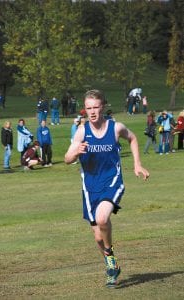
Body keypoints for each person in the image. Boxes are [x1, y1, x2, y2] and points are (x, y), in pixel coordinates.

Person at [64, 89, 149, 288]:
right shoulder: (82, 131)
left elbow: (133, 138)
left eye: (96, 107)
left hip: (112, 182)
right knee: (97, 236)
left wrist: (137, 164)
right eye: (88, 108)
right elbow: (67, 159)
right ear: (84, 110)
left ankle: (110, 256)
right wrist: (75, 153)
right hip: (89, 188)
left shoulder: (115, 127)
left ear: (103, 106)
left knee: (103, 219)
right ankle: (111, 264)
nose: (92, 111)